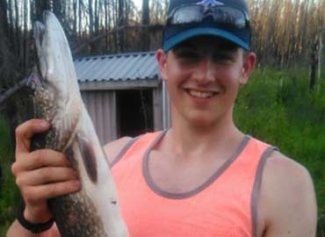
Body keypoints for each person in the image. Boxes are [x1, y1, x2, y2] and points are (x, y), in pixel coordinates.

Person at [7, 0, 317, 236]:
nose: (205, 75)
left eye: (222, 56)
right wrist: (32, 214)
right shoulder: (112, 160)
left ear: (246, 67)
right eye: (188, 55)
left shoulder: (284, 185)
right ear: (163, 63)